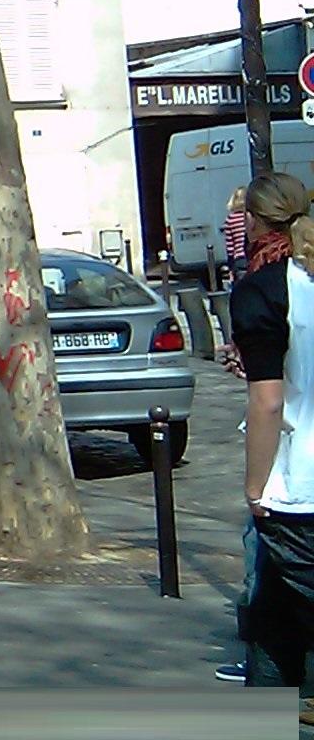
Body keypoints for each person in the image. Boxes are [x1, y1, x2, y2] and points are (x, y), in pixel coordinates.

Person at [234, 173, 314, 708]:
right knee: (276, 616)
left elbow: (268, 402)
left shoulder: (264, 291)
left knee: (276, 621)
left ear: (258, 222)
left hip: (299, 483)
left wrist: (254, 488)